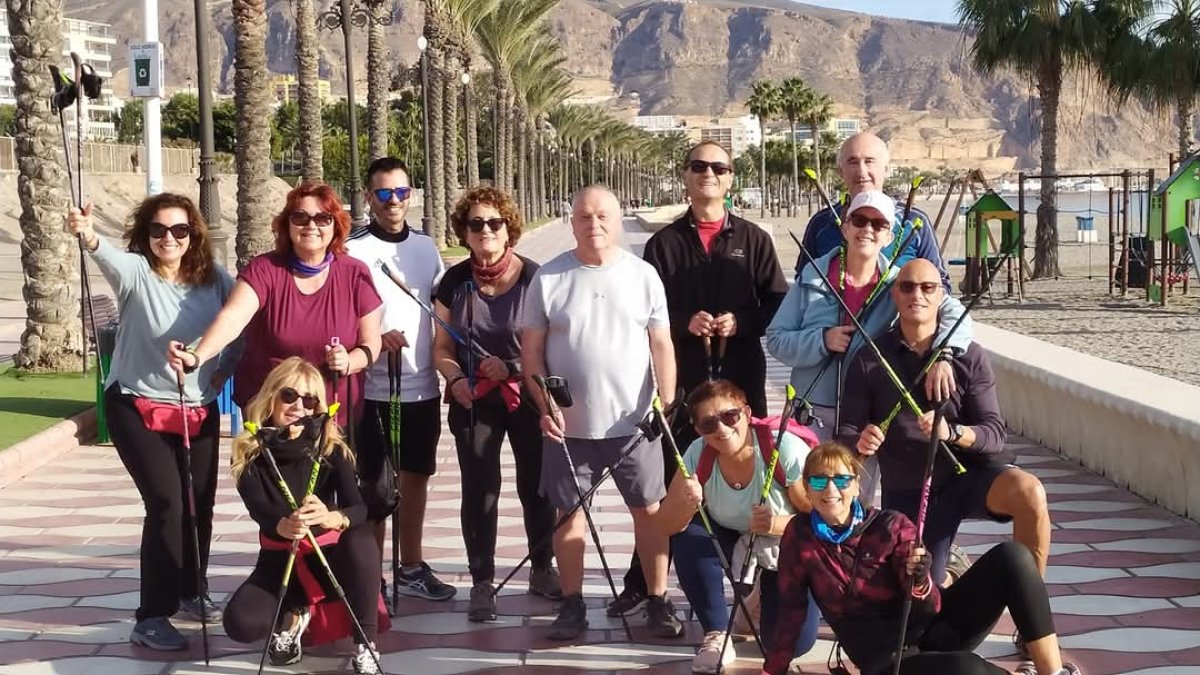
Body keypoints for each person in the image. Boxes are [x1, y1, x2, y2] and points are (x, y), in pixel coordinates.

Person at [615, 140, 788, 617]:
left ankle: (755, 585)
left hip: (740, 381)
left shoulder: (754, 239)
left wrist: (741, 321)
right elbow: (643, 311)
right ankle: (647, 584)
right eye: (698, 166)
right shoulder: (663, 245)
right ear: (686, 176)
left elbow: (776, 301)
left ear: (730, 178)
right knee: (675, 483)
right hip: (683, 383)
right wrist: (682, 322)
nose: (708, 173)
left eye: (718, 167)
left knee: (749, 475)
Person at [67, 194, 237, 651]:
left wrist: (223, 370)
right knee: (167, 503)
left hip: (197, 406)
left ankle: (191, 590)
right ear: (145, 234)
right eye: (158, 230)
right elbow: (105, 254)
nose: (169, 239)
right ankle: (151, 616)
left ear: (193, 234)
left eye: (179, 230)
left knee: (199, 503)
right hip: (135, 405)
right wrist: (87, 234)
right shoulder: (137, 271)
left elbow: (240, 320)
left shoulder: (215, 278)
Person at [762, 443, 1081, 675]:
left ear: (857, 484)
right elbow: (791, 610)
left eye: (841, 479)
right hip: (889, 660)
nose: (831, 489)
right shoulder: (800, 536)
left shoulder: (890, 524)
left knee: (1012, 557)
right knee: (968, 669)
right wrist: (772, 669)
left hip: (933, 628)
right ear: (807, 489)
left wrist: (918, 578)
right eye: (819, 480)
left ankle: (1052, 671)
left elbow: (930, 605)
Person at [521, 185, 683, 641]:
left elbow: (662, 344)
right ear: (572, 222)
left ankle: (657, 599)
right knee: (567, 514)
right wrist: (545, 405)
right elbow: (531, 353)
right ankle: (572, 605)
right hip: (568, 428)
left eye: (603, 215)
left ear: (617, 218)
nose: (594, 224)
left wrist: (666, 400)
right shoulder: (549, 277)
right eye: (584, 216)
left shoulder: (643, 275)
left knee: (648, 511)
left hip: (635, 425)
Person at [839, 258, 1051, 586]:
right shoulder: (869, 358)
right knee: (918, 586)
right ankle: (952, 571)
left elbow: (994, 433)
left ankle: (1031, 604)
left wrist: (951, 433)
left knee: (1029, 492)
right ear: (895, 294)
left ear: (942, 295)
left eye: (928, 288)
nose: (917, 295)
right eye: (907, 287)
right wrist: (861, 442)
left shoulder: (969, 355)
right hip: (909, 486)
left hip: (969, 474)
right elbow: (846, 433)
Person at [766, 191, 970, 506]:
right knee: (807, 502)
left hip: (863, 419)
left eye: (878, 224)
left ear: (889, 236)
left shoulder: (899, 284)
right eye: (860, 220)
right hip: (812, 415)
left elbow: (955, 312)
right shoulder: (811, 277)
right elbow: (776, 339)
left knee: (853, 505)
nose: (868, 229)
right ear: (845, 227)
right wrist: (821, 340)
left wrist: (944, 354)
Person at [432, 186, 560, 622]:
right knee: (480, 487)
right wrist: (454, 379)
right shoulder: (454, 282)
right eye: (476, 224)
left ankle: (542, 568)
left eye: (494, 222)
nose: (485, 230)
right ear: (464, 233)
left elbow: (550, 345)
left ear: (509, 230)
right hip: (475, 397)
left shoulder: (534, 278)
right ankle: (482, 581)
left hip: (527, 393)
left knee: (536, 485)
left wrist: (512, 367)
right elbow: (442, 348)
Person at [167, 182, 382, 426]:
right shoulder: (264, 270)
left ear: (336, 226)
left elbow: (372, 343)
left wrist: (349, 362)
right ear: (286, 224)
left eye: (323, 218)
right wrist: (197, 356)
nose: (311, 226)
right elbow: (233, 318)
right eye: (300, 217)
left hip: (331, 419)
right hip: (268, 417)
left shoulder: (355, 273)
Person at [222, 358, 386, 675]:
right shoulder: (250, 452)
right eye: (289, 396)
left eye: (309, 400)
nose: (299, 406)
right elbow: (260, 509)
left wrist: (332, 517)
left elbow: (359, 508)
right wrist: (283, 525)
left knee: (361, 537)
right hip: (280, 555)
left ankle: (366, 644)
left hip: (327, 556)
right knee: (241, 623)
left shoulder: (329, 446)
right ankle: (294, 614)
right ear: (271, 397)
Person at [345, 157, 454, 603]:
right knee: (374, 487)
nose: (394, 201)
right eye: (385, 193)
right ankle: (372, 576)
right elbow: (343, 312)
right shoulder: (352, 250)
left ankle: (411, 566)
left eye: (402, 192)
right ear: (369, 197)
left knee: (415, 479)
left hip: (421, 386)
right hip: (373, 389)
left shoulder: (426, 248)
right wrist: (373, 338)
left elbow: (442, 308)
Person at [656, 380, 818, 674]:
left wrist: (776, 523)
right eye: (708, 423)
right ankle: (717, 633)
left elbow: (821, 516)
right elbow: (666, 524)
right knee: (688, 536)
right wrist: (687, 503)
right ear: (698, 430)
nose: (721, 429)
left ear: (747, 413)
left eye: (730, 416)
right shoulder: (697, 453)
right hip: (731, 536)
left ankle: (755, 598)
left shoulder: (782, 448)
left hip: (783, 545)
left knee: (789, 645)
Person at [794, 132, 950, 291]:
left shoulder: (914, 221)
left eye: (869, 161)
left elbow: (941, 283)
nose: (861, 171)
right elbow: (802, 283)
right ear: (841, 171)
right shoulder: (821, 223)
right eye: (853, 162)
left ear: (886, 169)